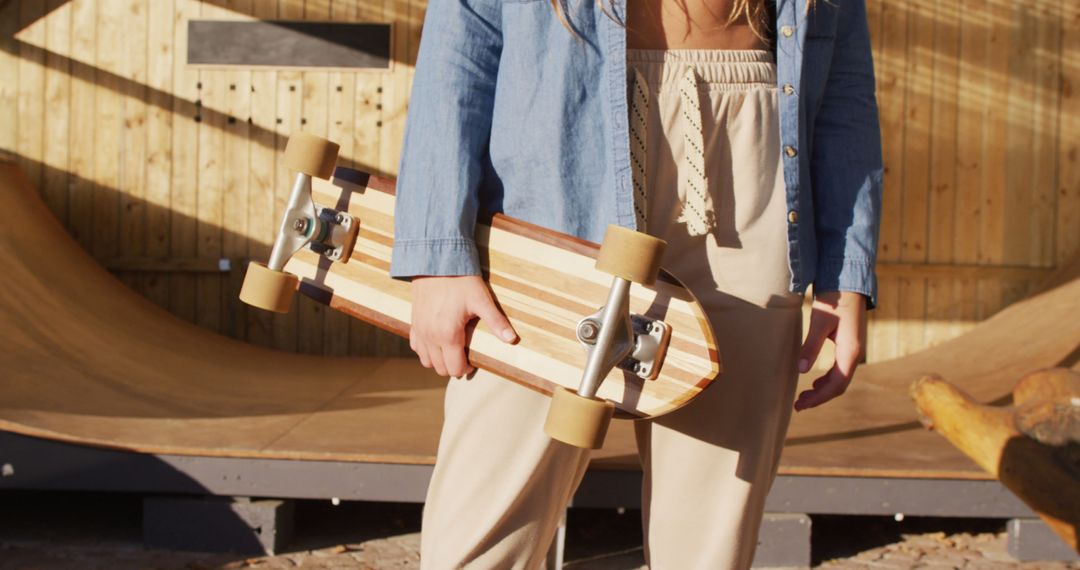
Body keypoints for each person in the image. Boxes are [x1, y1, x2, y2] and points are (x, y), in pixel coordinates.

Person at [389, 0, 883, 566]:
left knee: (708, 545)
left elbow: (844, 79)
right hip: (556, 169)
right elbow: (461, 43)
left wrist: (846, 272)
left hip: (753, 168)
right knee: (478, 531)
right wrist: (438, 255)